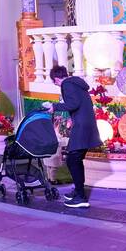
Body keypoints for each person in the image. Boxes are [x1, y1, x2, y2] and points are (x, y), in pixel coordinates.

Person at [48, 64, 98, 209]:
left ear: (57, 79)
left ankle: (81, 197)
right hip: (86, 125)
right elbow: (79, 104)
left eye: (55, 83)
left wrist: (54, 107)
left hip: (82, 127)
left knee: (72, 160)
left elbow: (73, 104)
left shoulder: (67, 84)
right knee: (75, 159)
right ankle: (78, 191)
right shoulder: (76, 83)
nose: (57, 85)